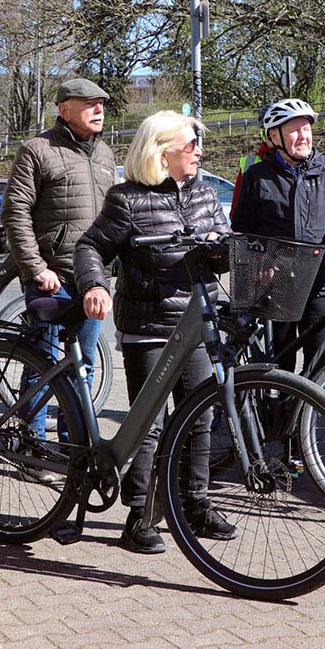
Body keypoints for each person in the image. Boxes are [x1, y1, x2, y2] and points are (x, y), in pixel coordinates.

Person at [73, 110, 236, 554]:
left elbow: (221, 249)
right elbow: (90, 246)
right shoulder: (127, 199)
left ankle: (194, 505)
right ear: (162, 152)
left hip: (194, 323)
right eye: (191, 145)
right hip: (147, 323)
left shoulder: (204, 196)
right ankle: (140, 513)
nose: (199, 151)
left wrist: (237, 254)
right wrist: (94, 286)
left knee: (200, 415)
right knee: (149, 421)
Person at [1, 78, 118, 449]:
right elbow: (15, 213)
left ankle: (74, 446)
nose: (98, 110)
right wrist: (36, 268)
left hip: (92, 280)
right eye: (89, 104)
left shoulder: (105, 156)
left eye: (101, 104)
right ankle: (30, 442)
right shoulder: (38, 150)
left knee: (83, 367)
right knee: (43, 364)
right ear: (63, 109)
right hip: (52, 277)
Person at [231, 98, 325, 374]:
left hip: (319, 283)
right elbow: (242, 230)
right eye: (294, 130)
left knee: (322, 361)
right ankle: (279, 416)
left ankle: (307, 415)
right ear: (274, 136)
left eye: (307, 129)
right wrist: (259, 263)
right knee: (279, 367)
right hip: (277, 285)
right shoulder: (257, 176)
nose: (304, 136)